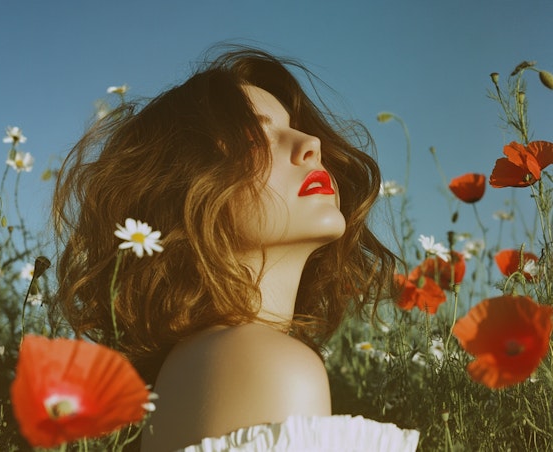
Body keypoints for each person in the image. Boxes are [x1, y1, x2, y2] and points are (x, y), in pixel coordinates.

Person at [52, 46, 419, 451]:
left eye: (295, 127)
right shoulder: (262, 362)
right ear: (185, 188)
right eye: (253, 136)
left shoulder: (204, 363)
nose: (311, 143)